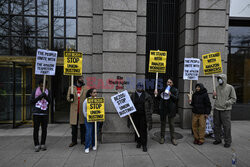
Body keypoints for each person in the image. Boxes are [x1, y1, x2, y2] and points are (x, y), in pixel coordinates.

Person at [212, 74, 236, 148]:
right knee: (216, 126)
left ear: (224, 79)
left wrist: (226, 103)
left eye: (220, 79)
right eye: (218, 79)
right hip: (217, 109)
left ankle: (227, 141)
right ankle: (217, 139)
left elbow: (233, 98)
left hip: (225, 110)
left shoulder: (230, 87)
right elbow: (215, 97)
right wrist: (214, 95)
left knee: (226, 126)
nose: (219, 80)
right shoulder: (217, 87)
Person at [154, 78, 179, 145]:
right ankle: (162, 137)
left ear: (172, 83)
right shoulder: (163, 89)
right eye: (168, 82)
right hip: (163, 109)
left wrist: (171, 94)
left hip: (171, 110)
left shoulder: (175, 90)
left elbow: (176, 99)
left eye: (170, 82)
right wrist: (156, 94)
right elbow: (158, 98)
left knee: (172, 124)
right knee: (163, 124)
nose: (169, 83)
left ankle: (173, 138)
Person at [130, 82, 153, 152]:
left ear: (143, 87)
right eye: (138, 86)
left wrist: (150, 112)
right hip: (135, 115)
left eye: (141, 86)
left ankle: (144, 145)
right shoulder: (133, 95)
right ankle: (139, 142)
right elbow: (129, 104)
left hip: (144, 116)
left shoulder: (147, 95)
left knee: (143, 130)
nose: (140, 88)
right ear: (136, 87)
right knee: (137, 129)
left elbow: (151, 105)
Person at [67, 76, 88, 147]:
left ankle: (83, 140)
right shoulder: (71, 88)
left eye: (82, 78)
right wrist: (71, 98)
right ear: (77, 79)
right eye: (80, 78)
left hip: (82, 110)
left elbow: (88, 98)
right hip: (74, 111)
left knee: (83, 127)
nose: (82, 79)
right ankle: (74, 141)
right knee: (74, 127)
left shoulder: (85, 88)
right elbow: (68, 98)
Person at [30, 79, 51, 152]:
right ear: (39, 85)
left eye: (44, 86)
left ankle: (43, 143)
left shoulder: (48, 91)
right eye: (41, 86)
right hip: (36, 113)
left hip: (44, 113)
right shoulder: (35, 91)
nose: (43, 87)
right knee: (36, 129)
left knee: (44, 129)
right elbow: (31, 101)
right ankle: (36, 144)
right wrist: (39, 97)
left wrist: (45, 96)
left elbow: (50, 101)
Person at [82, 88, 98, 153]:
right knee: (88, 132)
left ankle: (94, 144)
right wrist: (89, 118)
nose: (95, 93)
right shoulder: (86, 101)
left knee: (95, 132)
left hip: (96, 119)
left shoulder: (98, 100)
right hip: (88, 119)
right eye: (94, 92)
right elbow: (84, 111)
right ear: (90, 93)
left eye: (96, 92)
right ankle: (87, 146)